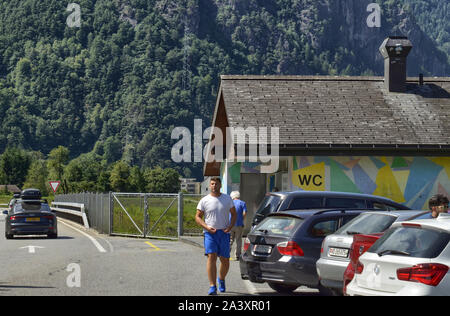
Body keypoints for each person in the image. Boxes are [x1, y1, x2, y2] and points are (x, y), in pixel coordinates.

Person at [195, 177, 237, 295]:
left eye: (216, 184)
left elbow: (234, 214)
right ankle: (212, 286)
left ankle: (221, 279)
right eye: (212, 184)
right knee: (211, 257)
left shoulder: (227, 199)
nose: (214, 186)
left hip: (224, 233)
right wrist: (206, 227)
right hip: (210, 233)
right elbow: (197, 216)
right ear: (210, 185)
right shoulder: (204, 200)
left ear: (220, 185)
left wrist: (230, 227)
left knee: (225, 260)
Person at [229, 191, 247, 261]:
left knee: (230, 240)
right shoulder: (242, 203)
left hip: (230, 224)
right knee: (238, 240)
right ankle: (237, 256)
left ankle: (226, 254)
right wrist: (241, 218)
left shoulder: (230, 203)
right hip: (239, 224)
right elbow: (245, 212)